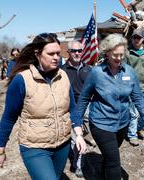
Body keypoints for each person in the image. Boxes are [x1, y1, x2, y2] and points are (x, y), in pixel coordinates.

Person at [0, 33, 86, 180]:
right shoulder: (22, 80)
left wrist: (79, 135)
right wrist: (0, 149)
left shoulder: (63, 76)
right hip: (34, 147)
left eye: (58, 53)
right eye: (51, 53)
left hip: (62, 144)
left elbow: (72, 108)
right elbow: (8, 117)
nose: (56, 57)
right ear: (37, 54)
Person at [77, 33, 144, 180]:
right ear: (107, 53)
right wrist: (77, 122)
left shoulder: (129, 72)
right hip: (101, 124)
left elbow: (137, 97)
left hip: (122, 124)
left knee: (109, 156)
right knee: (114, 161)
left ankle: (103, 175)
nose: (119, 59)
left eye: (121, 55)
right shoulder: (96, 73)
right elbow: (84, 98)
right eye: (115, 55)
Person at [62, 40, 91, 177]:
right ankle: (78, 164)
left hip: (87, 107)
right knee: (76, 137)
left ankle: (74, 145)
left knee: (87, 131)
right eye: (74, 51)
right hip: (71, 108)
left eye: (79, 50)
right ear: (68, 52)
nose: (77, 53)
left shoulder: (88, 69)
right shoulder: (61, 71)